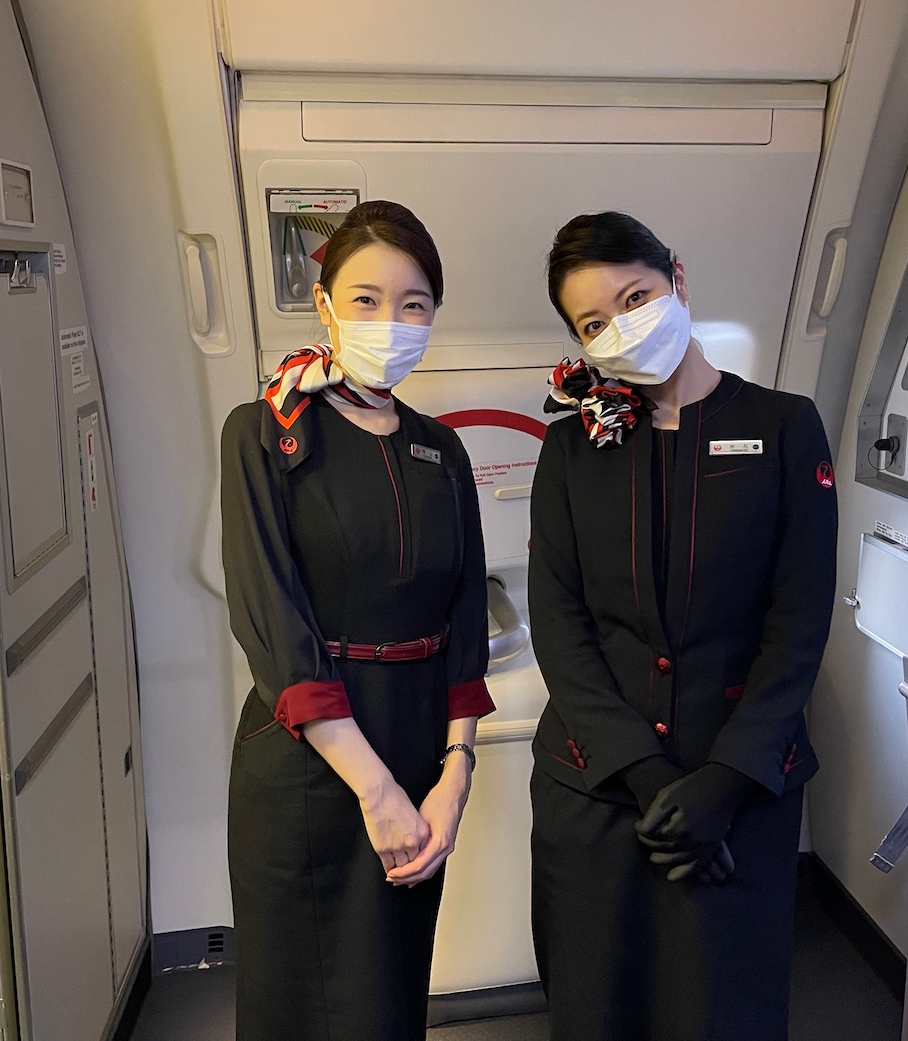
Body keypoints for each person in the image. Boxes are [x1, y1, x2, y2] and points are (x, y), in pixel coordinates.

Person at [527, 211, 838, 1041]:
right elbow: (559, 627)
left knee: (724, 1012)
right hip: (597, 792)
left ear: (679, 280)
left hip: (736, 794)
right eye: (595, 321)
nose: (621, 325)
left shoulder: (784, 426)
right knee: (597, 1009)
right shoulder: (570, 452)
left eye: (636, 295)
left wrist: (724, 781)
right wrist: (646, 779)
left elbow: (799, 623)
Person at [220, 200, 495, 1041]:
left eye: (415, 303)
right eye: (368, 299)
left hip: (417, 745)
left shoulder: (441, 450)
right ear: (325, 304)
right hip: (308, 758)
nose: (392, 320)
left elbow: (464, 622)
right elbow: (272, 620)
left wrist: (454, 776)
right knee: (297, 1002)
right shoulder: (265, 433)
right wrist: (377, 789)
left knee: (390, 995)